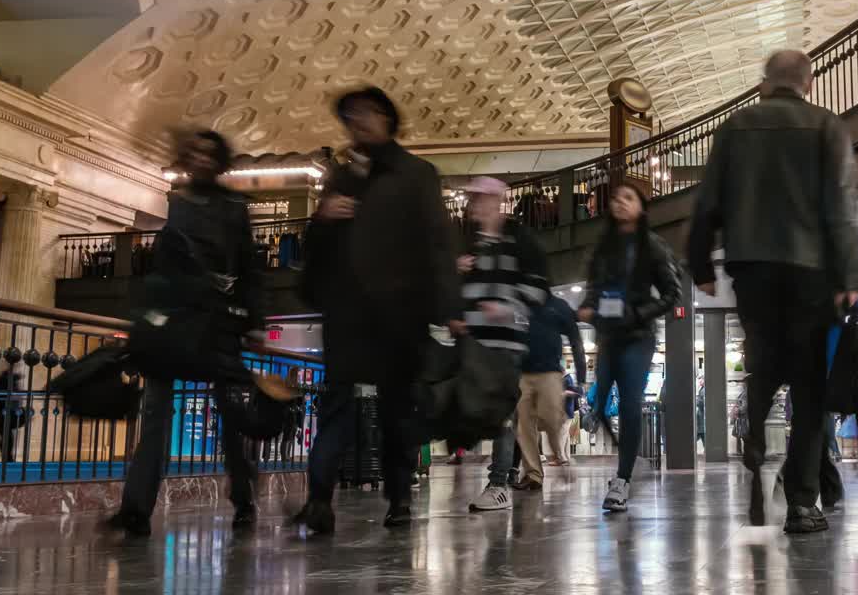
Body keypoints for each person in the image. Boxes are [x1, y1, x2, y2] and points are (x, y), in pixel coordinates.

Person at [688, 50, 858, 534]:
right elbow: (842, 208)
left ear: (765, 82)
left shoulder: (737, 127)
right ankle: (803, 504)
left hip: (752, 268)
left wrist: (700, 261)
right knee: (810, 391)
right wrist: (848, 276)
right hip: (812, 272)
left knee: (764, 358)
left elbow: (709, 201)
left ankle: (756, 436)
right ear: (808, 81)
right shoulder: (827, 127)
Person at [290, 87, 459, 534]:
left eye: (366, 113)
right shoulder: (341, 178)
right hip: (347, 313)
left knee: (397, 410)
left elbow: (439, 244)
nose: (358, 122)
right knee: (336, 403)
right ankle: (319, 499)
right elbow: (315, 249)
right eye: (350, 116)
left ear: (387, 117)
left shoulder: (416, 175)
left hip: (399, 314)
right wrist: (323, 219)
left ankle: (399, 497)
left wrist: (448, 308)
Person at [105, 131, 272, 538]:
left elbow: (249, 267)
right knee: (156, 415)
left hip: (217, 323)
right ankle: (136, 509)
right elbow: (165, 264)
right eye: (192, 152)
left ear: (219, 161)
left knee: (230, 415)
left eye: (207, 153)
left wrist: (255, 322)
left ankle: (244, 499)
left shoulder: (234, 206)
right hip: (176, 321)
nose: (199, 159)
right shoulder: (177, 202)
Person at [578, 182, 681, 512]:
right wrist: (589, 307)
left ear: (641, 207)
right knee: (599, 401)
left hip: (638, 336)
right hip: (609, 336)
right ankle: (628, 463)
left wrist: (637, 313)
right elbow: (594, 289)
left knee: (630, 402)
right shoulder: (603, 247)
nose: (619, 203)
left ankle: (622, 479)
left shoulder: (652, 246)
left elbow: (671, 294)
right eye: (615, 199)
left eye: (628, 198)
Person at [459, 176, 549, 512]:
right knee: (477, 408)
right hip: (474, 342)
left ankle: (499, 482)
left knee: (501, 412)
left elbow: (539, 290)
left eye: (483, 199)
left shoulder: (519, 240)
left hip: (507, 343)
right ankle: (500, 475)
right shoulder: (469, 243)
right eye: (473, 200)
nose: (476, 206)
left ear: (498, 201)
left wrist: (506, 308)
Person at [514, 291, 586, 488]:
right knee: (524, 426)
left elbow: (574, 337)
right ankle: (533, 475)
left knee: (551, 420)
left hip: (550, 374)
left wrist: (581, 374)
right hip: (524, 374)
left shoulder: (557, 306)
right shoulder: (520, 303)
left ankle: (561, 461)